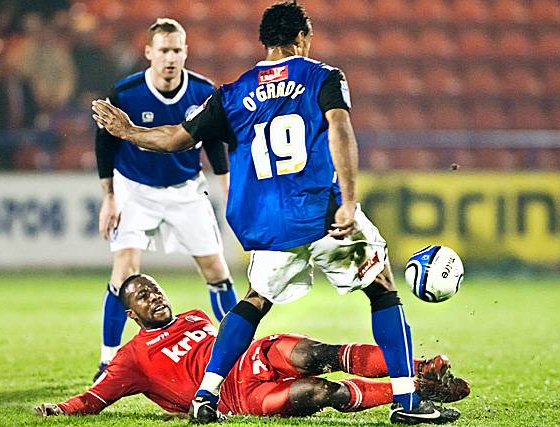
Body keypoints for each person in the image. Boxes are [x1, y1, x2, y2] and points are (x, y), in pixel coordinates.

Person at [92, 2, 459, 424]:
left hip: (267, 225)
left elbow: (176, 137)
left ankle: (206, 396)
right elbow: (339, 130)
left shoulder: (231, 93)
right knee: (382, 289)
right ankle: (408, 402)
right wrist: (350, 201)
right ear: (303, 38)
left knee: (254, 302)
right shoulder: (323, 77)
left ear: (264, 42)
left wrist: (128, 131)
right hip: (319, 214)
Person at [34, 274, 469, 419]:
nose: (155, 296)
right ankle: (414, 392)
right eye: (143, 296)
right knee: (322, 392)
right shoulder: (133, 358)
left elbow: (229, 337)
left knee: (323, 353)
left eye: (155, 288)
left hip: (256, 355)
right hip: (242, 397)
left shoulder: (193, 317)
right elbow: (95, 397)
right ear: (132, 314)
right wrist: (62, 410)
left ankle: (420, 368)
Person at [92, 18, 237, 381]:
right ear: (148, 53)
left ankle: (237, 353)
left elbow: (217, 141)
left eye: (176, 50)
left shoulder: (204, 91)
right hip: (134, 188)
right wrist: (108, 196)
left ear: (185, 52)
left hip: (187, 189)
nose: (170, 57)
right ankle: (108, 361)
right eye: (163, 50)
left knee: (217, 271)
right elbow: (105, 142)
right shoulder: (125, 92)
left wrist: (226, 185)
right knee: (124, 271)